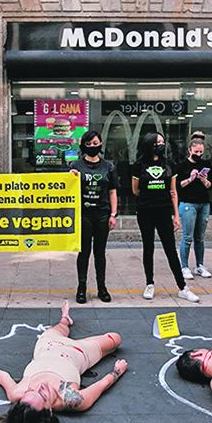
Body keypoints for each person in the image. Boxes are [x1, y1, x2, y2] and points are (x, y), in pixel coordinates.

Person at [0, 300, 126, 423]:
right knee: (115, 339)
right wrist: (118, 370)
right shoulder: (72, 400)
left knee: (62, 327)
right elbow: (102, 384)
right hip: (78, 352)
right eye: (42, 394)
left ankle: (65, 318)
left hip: (47, 344)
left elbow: (3, 376)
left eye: (31, 391)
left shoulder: (16, 393)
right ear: (49, 411)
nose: (39, 386)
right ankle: (71, 327)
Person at [132, 132, 199, 303]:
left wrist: (176, 215)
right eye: (158, 142)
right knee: (148, 248)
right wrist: (150, 196)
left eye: (163, 142)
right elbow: (135, 190)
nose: (161, 145)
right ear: (149, 145)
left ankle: (182, 287)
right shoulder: (139, 165)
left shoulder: (169, 165)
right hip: (146, 211)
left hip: (164, 211)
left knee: (170, 249)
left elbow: (173, 191)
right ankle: (149, 284)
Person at [68, 130, 118, 304]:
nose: (92, 147)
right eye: (89, 144)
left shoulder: (109, 167)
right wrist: (70, 177)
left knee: (100, 253)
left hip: (103, 214)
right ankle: (81, 287)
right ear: (83, 146)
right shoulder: (75, 166)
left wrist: (113, 214)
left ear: (101, 144)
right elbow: (67, 189)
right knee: (84, 252)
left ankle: (101, 287)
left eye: (96, 143)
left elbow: (112, 191)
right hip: (83, 215)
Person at [175, 132, 212, 282]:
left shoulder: (206, 164)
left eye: (201, 152)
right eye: (196, 151)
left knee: (200, 237)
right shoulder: (182, 165)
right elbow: (178, 186)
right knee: (187, 236)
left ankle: (199, 265)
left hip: (203, 202)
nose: (198, 154)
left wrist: (204, 180)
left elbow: (211, 186)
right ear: (190, 150)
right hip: (188, 203)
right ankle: (184, 266)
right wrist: (190, 179)